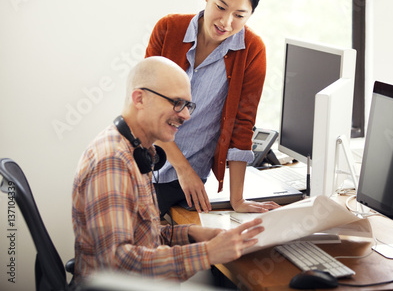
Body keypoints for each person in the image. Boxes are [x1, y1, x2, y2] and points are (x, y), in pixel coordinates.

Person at [72, 56, 264, 283]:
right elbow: (116, 264)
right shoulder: (113, 162)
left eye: (187, 105)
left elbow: (145, 238)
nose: (186, 115)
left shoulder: (138, 151)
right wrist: (208, 253)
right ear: (140, 98)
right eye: (176, 103)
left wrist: (192, 233)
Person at [146, 0, 280, 215]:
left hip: (188, 182)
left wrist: (237, 199)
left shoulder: (252, 50)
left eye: (239, 15)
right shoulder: (168, 29)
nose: (226, 22)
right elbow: (147, 108)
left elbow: (243, 124)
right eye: (220, 7)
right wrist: (182, 169)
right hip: (143, 162)